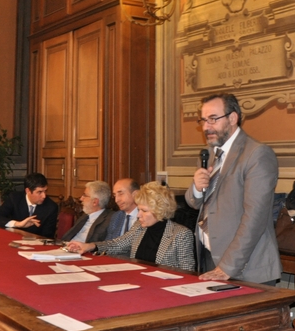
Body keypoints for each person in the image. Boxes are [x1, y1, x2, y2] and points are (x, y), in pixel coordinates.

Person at [186, 92, 281, 284]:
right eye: (203, 120)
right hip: (209, 259)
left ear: (232, 118)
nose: (206, 127)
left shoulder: (256, 154)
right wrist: (196, 187)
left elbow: (255, 218)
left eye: (213, 119)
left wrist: (227, 267)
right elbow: (196, 203)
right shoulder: (211, 153)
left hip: (245, 267)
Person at [66, 182, 195, 272]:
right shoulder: (140, 227)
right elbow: (118, 244)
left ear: (160, 210)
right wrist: (90, 246)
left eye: (144, 211)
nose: (138, 215)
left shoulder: (181, 234)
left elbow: (188, 271)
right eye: (138, 209)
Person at [0, 173, 59, 239]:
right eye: (39, 192)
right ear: (28, 191)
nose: (44, 196)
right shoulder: (14, 199)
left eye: (45, 191)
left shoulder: (51, 207)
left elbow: (47, 237)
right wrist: (17, 224)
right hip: (13, 240)